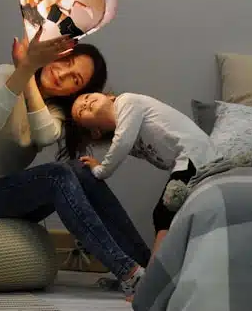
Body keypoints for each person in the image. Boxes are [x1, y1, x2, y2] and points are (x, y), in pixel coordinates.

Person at [0, 26, 152, 301]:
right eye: (66, 62)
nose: (62, 74)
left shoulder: (54, 113)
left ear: (77, 92)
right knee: (56, 176)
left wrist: (28, 68)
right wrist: (23, 70)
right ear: (56, 56)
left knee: (79, 170)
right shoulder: (5, 74)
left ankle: (151, 267)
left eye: (74, 79)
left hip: (1, 195)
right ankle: (129, 273)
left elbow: (45, 134)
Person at [70, 91, 219, 261]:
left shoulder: (127, 101)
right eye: (80, 111)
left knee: (164, 211)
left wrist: (100, 170)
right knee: (169, 213)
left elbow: (122, 143)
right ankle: (165, 266)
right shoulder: (129, 136)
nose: (84, 103)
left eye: (87, 97)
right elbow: (125, 142)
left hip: (194, 154)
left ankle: (155, 273)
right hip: (189, 160)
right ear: (95, 132)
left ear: (110, 96)